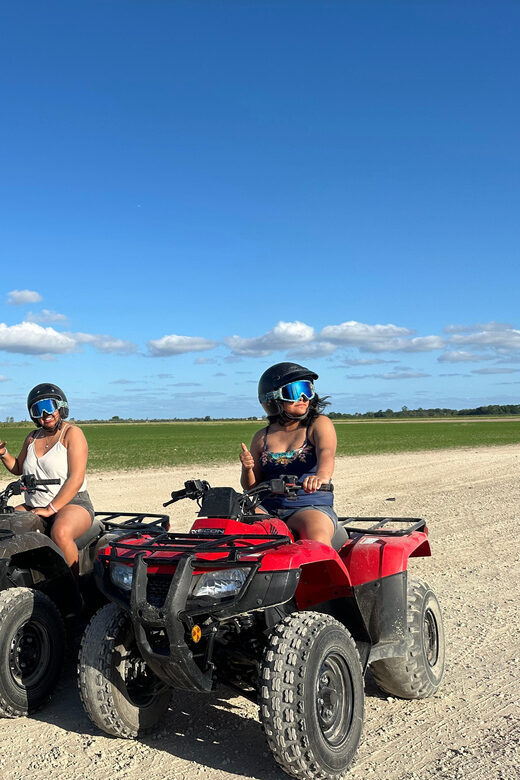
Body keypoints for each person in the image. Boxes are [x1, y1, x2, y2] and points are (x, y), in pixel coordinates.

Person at [0, 383, 94, 575]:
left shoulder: (72, 434)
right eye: (37, 409)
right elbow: (18, 468)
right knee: (4, 525)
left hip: (72, 503)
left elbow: (76, 479)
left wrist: (51, 509)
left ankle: (74, 588)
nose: (45, 414)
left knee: (60, 533)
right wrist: (3, 453)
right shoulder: (32, 437)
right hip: (35, 504)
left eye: (49, 406)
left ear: (61, 407)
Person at [240, 362, 337, 546]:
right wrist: (247, 469)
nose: (303, 397)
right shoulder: (261, 437)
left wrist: (321, 476)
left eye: (307, 390)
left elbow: (327, 452)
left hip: (309, 506)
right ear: (272, 398)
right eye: (295, 391)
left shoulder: (318, 424)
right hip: (266, 508)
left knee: (316, 540)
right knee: (236, 534)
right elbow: (251, 487)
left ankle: (325, 565)